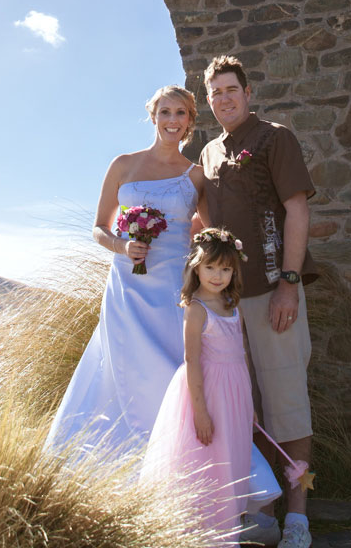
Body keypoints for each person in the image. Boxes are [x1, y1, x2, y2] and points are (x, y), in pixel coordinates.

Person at [45, 85, 282, 514]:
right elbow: (99, 227)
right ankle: (112, 484)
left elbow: (210, 238)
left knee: (174, 374)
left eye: (181, 114)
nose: (172, 121)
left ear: (190, 121)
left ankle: (184, 482)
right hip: (127, 290)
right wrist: (122, 247)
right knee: (120, 371)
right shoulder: (122, 165)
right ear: (152, 116)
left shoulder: (194, 176)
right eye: (165, 112)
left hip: (174, 291)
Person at [199, 55, 317, 548]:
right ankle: (256, 510)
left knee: (286, 401)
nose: (224, 99)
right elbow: (201, 221)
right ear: (209, 102)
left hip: (272, 291)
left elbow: (297, 210)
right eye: (215, 93)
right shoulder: (206, 153)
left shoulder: (275, 138)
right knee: (235, 406)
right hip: (223, 302)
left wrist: (289, 283)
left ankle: (297, 517)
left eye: (231, 89)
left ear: (248, 93)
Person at [141, 229, 255, 547]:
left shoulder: (233, 306)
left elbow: (240, 355)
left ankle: (227, 532)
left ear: (234, 271)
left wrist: (249, 405)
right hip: (208, 394)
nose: (217, 276)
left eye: (226, 269)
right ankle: (201, 535)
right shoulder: (196, 309)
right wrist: (201, 412)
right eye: (210, 267)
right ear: (196, 267)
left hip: (234, 394)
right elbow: (192, 361)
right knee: (209, 462)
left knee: (232, 458)